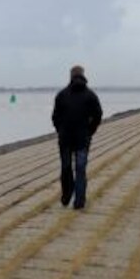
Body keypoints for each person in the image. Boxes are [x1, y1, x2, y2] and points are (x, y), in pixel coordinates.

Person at [51, 65, 103, 210]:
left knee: (66, 168)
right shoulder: (90, 95)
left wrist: (60, 130)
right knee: (80, 169)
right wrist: (89, 131)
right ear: (83, 76)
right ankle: (79, 201)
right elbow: (98, 115)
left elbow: (55, 117)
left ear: (70, 77)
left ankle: (66, 196)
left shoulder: (62, 95)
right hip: (82, 139)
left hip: (66, 139)